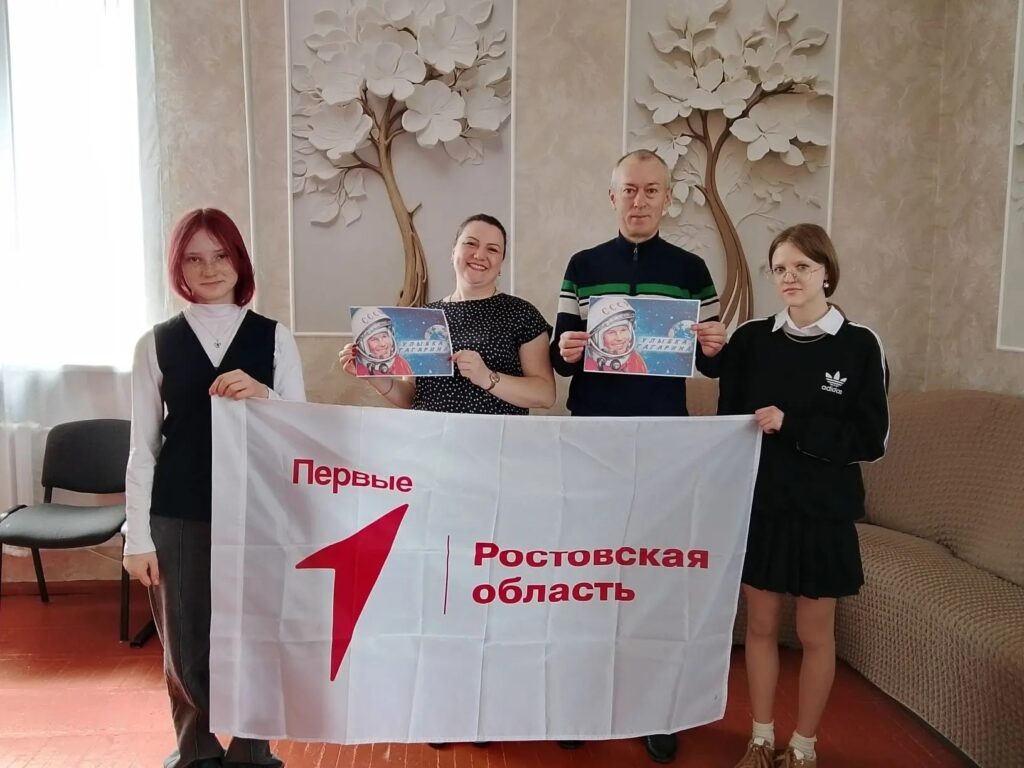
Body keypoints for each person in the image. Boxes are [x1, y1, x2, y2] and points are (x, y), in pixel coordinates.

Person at [550, 149, 728, 764]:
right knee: (587, 569)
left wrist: (715, 347)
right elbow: (559, 356)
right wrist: (567, 349)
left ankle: (655, 709)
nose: (639, 200)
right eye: (629, 189)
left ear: (667, 198)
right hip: (593, 436)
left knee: (653, 576)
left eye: (652, 190)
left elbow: (712, 365)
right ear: (612, 196)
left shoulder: (692, 270)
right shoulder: (582, 266)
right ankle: (580, 703)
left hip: (662, 441)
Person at [123, 208, 306, 768]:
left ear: (239, 260)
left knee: (258, 639)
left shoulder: (274, 337)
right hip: (178, 513)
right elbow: (142, 447)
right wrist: (137, 537)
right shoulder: (154, 343)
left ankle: (253, 752)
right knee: (184, 645)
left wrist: (265, 395)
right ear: (178, 268)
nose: (209, 268)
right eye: (194, 258)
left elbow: (303, 429)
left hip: (259, 511)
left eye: (220, 255)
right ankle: (196, 751)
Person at [717, 224, 889, 768]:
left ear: (826, 272)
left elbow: (871, 440)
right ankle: (760, 739)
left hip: (824, 512)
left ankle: (804, 747)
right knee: (760, 627)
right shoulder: (751, 340)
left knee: (816, 634)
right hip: (763, 507)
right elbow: (726, 419)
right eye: (780, 269)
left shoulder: (860, 344)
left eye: (802, 267)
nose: (789, 277)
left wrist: (793, 425)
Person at [339, 213, 555, 417]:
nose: (480, 255)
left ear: (500, 263)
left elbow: (545, 395)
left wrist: (486, 377)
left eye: (492, 249)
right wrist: (373, 376)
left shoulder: (521, 313)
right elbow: (411, 397)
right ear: (453, 253)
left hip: (493, 440)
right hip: (430, 439)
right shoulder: (423, 316)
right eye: (470, 243)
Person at [583, 296, 648, 373]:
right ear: (596, 339)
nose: (619, 338)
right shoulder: (589, 366)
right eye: (611, 332)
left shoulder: (636, 360)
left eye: (623, 330)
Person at [350, 306, 414, 376]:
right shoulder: (357, 368)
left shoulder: (401, 363)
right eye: (374, 339)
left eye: (384, 336)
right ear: (362, 346)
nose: (383, 344)